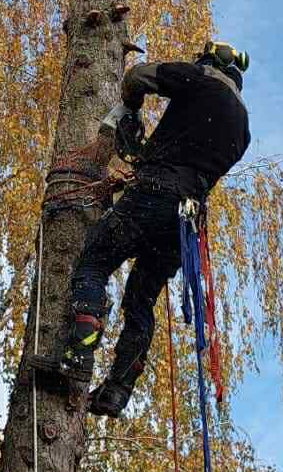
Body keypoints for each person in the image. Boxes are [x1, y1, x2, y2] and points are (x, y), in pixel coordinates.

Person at [35, 39, 250, 416]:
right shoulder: (243, 127)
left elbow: (138, 76)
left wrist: (131, 107)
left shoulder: (199, 79)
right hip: (185, 221)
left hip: (155, 192)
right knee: (140, 301)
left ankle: (76, 357)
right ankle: (117, 390)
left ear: (210, 61)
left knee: (94, 263)